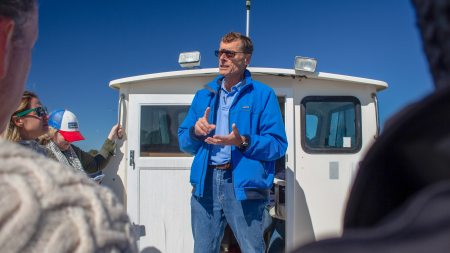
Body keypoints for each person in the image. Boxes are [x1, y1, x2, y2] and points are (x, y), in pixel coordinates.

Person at [0, 1, 137, 252]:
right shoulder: (40, 157)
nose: (71, 141)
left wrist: (110, 139)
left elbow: (95, 163)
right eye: (67, 136)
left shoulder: (70, 152)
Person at [178, 32, 288, 253]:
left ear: (246, 59)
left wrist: (243, 141)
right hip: (205, 184)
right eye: (220, 52)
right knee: (203, 249)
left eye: (230, 53)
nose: (222, 58)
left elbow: (278, 144)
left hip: (243, 187)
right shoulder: (204, 95)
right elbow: (183, 141)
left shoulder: (263, 95)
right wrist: (195, 132)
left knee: (252, 249)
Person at [41, 109, 123, 183]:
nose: (70, 140)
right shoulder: (40, 152)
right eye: (67, 136)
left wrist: (111, 137)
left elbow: (96, 165)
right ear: (52, 132)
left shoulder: (73, 150)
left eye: (72, 137)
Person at [2, 90, 49, 156]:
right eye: (39, 111)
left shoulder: (42, 151)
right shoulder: (8, 156)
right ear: (18, 120)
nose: (47, 116)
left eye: (44, 110)